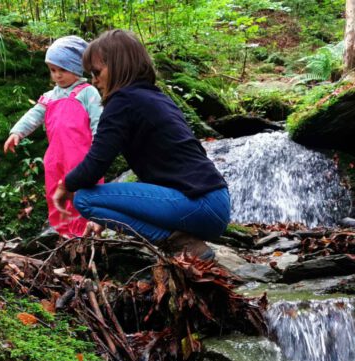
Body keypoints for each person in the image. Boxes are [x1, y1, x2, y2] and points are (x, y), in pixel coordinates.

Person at [52, 29, 230, 258]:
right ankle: (187, 245)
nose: (94, 81)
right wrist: (108, 216)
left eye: (97, 72)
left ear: (117, 66)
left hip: (197, 204)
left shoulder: (122, 103)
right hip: (216, 204)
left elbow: (95, 165)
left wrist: (65, 185)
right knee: (93, 198)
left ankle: (180, 245)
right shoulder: (156, 97)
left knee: (85, 197)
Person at [4, 35, 102, 238]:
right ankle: (64, 234)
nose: (57, 75)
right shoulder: (50, 97)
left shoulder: (87, 92)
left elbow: (99, 121)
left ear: (77, 67)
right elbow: (34, 115)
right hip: (56, 157)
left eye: (63, 70)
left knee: (83, 192)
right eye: (53, 70)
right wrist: (16, 132)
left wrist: (98, 145)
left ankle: (87, 232)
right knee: (54, 192)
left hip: (82, 157)